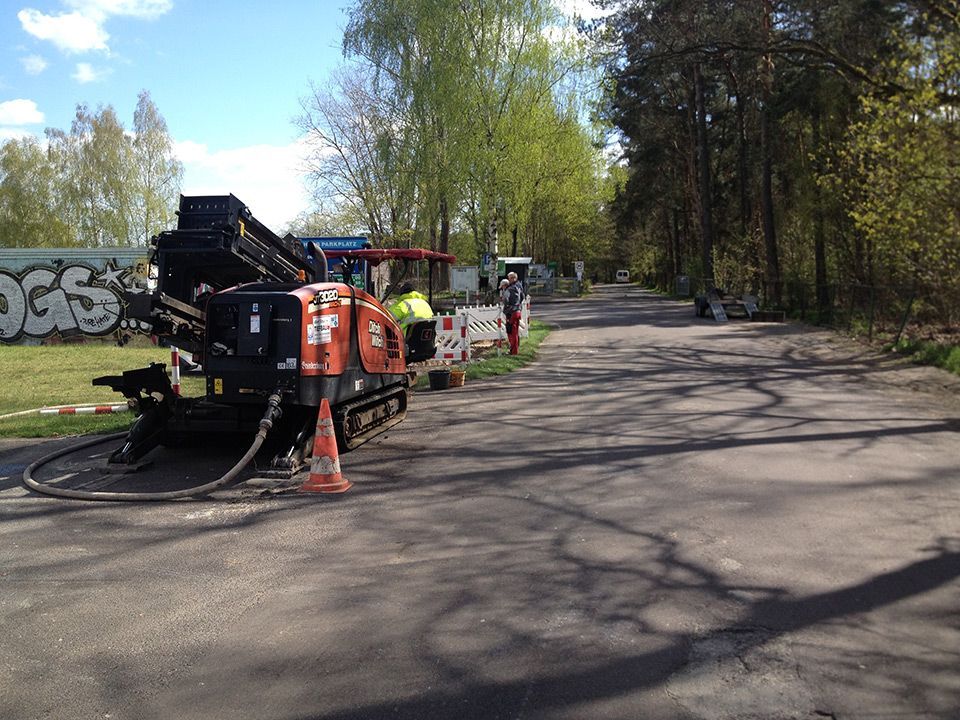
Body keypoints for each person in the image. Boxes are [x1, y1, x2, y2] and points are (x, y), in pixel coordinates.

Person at [502, 274, 523, 355]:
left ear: (513, 278)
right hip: (518, 311)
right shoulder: (518, 287)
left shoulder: (509, 289)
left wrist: (507, 307)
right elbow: (522, 297)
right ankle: (515, 349)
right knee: (516, 332)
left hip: (512, 312)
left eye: (510, 278)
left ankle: (514, 351)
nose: (509, 280)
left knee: (511, 332)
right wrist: (518, 305)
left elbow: (506, 300)